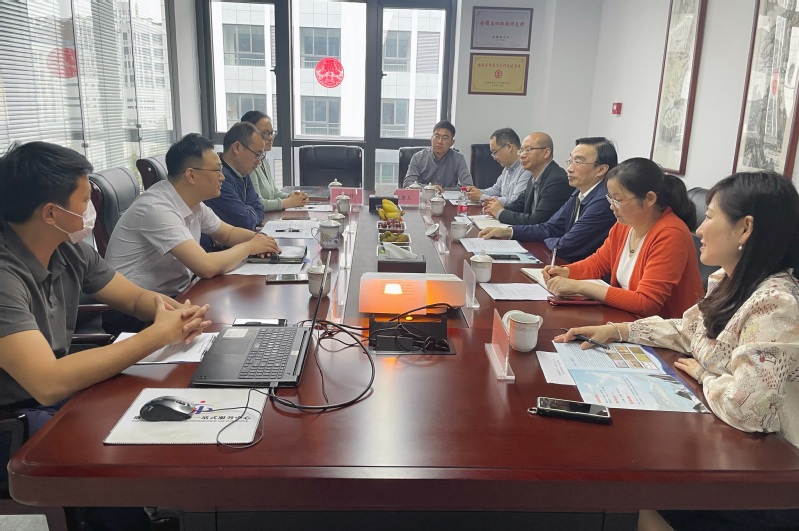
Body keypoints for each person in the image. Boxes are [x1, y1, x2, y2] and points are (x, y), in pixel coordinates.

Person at [557, 172, 799, 531]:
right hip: (724, 449)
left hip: (764, 479)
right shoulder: (729, 281)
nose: (699, 229)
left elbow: (747, 408)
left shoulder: (777, 304)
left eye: (711, 216)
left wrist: (703, 374)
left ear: (745, 228)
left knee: (626, 488)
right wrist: (618, 331)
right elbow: (686, 331)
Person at [0, 141, 210, 529]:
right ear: (50, 213)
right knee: (107, 435)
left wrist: (171, 312)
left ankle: (157, 509)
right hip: (13, 422)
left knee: (155, 401)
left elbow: (134, 298)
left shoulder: (67, 249)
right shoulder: (4, 275)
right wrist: (156, 336)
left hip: (51, 397)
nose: (89, 211)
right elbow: (46, 382)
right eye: (84, 201)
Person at [105, 133, 281, 302]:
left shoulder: (194, 204)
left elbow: (228, 234)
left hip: (175, 295)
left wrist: (261, 240)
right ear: (191, 175)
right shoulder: (156, 208)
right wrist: (249, 247)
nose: (222, 177)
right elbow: (205, 266)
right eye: (217, 170)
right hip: (136, 310)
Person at [543, 157, 703, 318]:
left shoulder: (671, 234)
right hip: (626, 318)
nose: (612, 206)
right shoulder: (624, 225)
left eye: (618, 200)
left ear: (649, 199)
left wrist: (580, 287)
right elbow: (598, 263)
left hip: (663, 327)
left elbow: (647, 302)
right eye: (610, 198)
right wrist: (566, 271)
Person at [479, 137, 617, 261]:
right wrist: (509, 232)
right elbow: (549, 227)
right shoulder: (579, 193)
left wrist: (550, 239)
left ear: (601, 169)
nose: (569, 168)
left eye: (578, 162)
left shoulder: (603, 201)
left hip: (585, 273)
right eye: (570, 161)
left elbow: (565, 246)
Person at [482, 132, 571, 226]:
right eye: (521, 151)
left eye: (528, 150)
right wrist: (495, 208)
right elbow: (519, 204)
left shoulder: (556, 180)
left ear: (546, 153)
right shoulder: (534, 177)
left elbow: (538, 221)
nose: (522, 155)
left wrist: (500, 213)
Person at [204, 121, 267, 234]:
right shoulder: (218, 177)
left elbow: (259, 207)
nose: (259, 162)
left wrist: (248, 210)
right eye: (257, 154)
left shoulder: (243, 172)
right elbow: (245, 222)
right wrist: (249, 210)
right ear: (237, 148)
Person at [240, 110, 308, 211]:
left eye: (272, 133)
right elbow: (258, 203)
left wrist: (292, 197)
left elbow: (274, 193)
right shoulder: (249, 164)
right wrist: (289, 202)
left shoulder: (263, 159)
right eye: (265, 133)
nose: (271, 138)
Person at [402, 120, 473, 191]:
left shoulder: (458, 159)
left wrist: (442, 190)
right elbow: (407, 184)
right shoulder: (418, 157)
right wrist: (430, 188)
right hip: (424, 196)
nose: (439, 142)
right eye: (436, 136)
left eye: (445, 138)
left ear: (452, 142)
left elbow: (468, 186)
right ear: (431, 138)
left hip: (448, 197)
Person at [464, 128, 529, 205]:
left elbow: (515, 202)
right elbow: (496, 189)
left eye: (495, 152)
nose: (494, 158)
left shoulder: (526, 169)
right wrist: (477, 192)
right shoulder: (507, 168)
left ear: (509, 147)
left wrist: (482, 197)